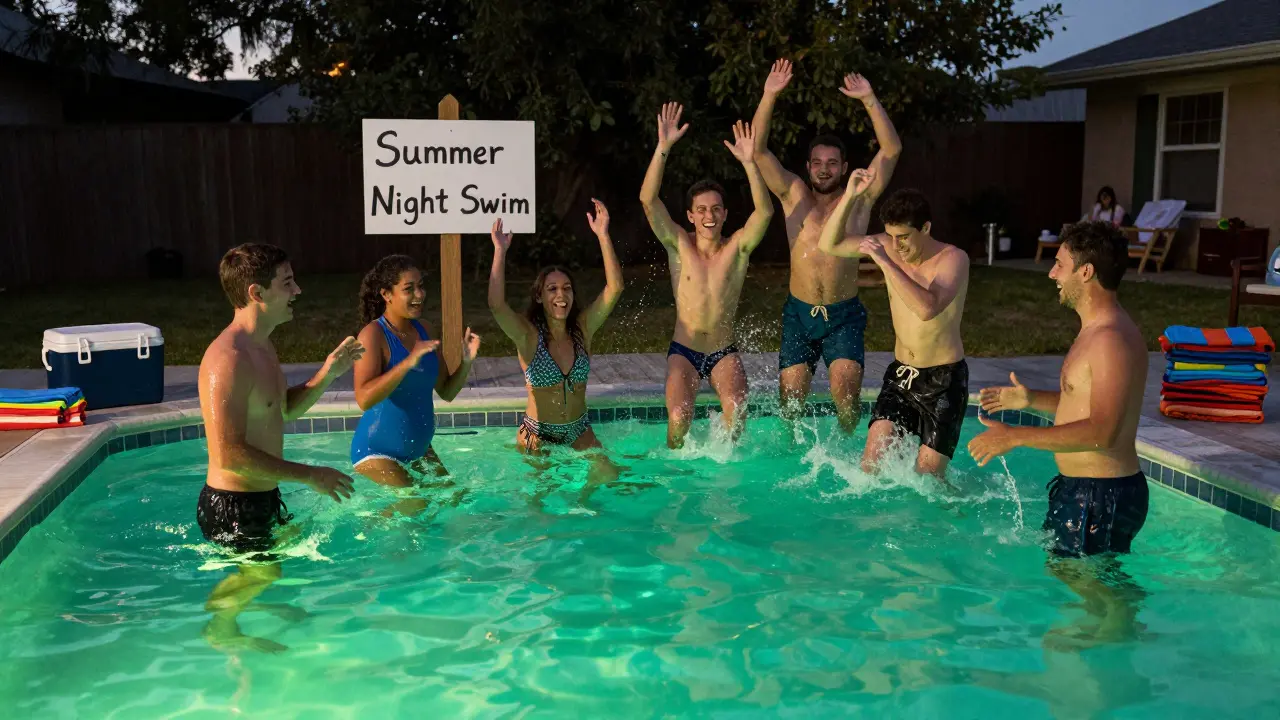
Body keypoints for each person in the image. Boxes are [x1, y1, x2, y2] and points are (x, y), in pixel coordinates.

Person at [197, 243, 364, 653]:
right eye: (286, 283)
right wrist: (311, 475)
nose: (298, 291)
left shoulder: (262, 345)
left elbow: (282, 410)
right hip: (231, 504)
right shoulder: (228, 359)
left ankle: (263, 606)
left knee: (287, 550)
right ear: (257, 293)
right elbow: (228, 454)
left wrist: (328, 372)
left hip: (262, 495)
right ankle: (219, 626)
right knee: (263, 575)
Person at [969, 220, 1149, 557]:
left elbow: (1104, 430)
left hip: (1100, 494)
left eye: (1060, 265)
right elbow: (1086, 406)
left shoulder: (1110, 340)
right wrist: (1032, 400)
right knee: (1078, 584)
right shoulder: (1096, 331)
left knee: (1095, 593)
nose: (1053, 275)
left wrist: (1015, 436)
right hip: (1087, 490)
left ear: (1086, 272)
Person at [750, 58, 902, 434]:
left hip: (843, 314)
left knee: (845, 395)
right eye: (817, 162)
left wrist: (868, 99)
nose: (824, 169)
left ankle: (849, 456)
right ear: (807, 166)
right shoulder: (793, 195)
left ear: (845, 166)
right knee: (791, 400)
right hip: (798, 313)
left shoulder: (860, 197)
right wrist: (769, 94)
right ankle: (791, 461)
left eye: (832, 163)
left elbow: (892, 150)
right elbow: (757, 152)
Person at [638, 105, 774, 449]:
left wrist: (748, 162)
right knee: (679, 418)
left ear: (725, 213)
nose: (709, 215)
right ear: (690, 215)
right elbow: (647, 199)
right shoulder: (679, 245)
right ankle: (674, 468)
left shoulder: (738, 249)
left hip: (722, 351)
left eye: (716, 209)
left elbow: (766, 211)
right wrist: (663, 146)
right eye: (701, 210)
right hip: (684, 350)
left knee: (737, 411)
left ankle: (721, 472)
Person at [821, 185, 969, 479]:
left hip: (944, 379)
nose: (896, 244)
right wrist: (850, 195)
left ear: (925, 228)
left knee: (927, 479)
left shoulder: (953, 259)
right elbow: (829, 243)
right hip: (902, 373)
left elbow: (928, 308)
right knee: (871, 467)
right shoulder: (889, 244)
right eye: (890, 236)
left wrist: (886, 262)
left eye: (903, 237)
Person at [488, 199, 623, 463]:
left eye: (567, 288)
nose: (561, 295)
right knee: (544, 497)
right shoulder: (528, 336)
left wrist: (603, 235)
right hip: (537, 433)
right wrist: (500, 251)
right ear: (539, 297)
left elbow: (615, 289)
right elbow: (496, 305)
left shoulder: (583, 329)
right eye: (552, 289)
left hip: (578, 429)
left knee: (607, 477)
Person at [348, 255, 481, 515]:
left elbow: (447, 391)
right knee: (416, 504)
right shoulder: (373, 335)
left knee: (457, 501)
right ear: (386, 294)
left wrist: (466, 362)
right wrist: (408, 362)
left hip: (419, 450)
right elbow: (364, 398)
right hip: (376, 451)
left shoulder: (425, 330)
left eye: (421, 286)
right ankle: (367, 531)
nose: (419, 294)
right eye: (409, 289)